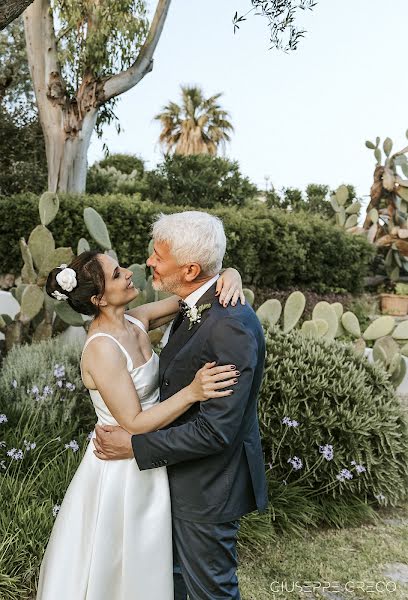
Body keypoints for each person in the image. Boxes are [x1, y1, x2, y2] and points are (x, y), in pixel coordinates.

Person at [36, 249, 244, 600]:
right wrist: (192, 392)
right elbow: (133, 422)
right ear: (99, 298)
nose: (129, 273)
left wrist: (231, 273)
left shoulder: (135, 321)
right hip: (122, 469)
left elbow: (189, 299)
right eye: (117, 274)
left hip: (152, 454)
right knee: (123, 560)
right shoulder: (102, 348)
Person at [94, 211, 268, 600]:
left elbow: (216, 430)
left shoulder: (230, 325)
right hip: (176, 479)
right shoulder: (195, 302)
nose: (148, 263)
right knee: (173, 585)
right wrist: (230, 271)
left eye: (158, 256)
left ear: (190, 269)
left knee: (210, 592)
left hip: (208, 488)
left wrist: (133, 446)